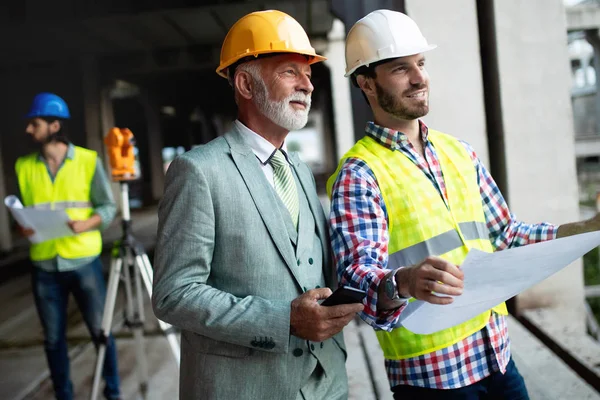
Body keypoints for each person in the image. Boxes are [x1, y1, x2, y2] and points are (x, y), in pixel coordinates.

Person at [327, 9, 600, 400]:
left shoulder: (459, 153)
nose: (420, 77)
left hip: (497, 357)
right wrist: (404, 281)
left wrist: (585, 229)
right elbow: (356, 280)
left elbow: (505, 235)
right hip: (432, 380)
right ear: (366, 83)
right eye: (401, 69)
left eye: (421, 63)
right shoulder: (360, 172)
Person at [152, 10, 363, 400]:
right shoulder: (198, 171)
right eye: (290, 72)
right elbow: (174, 293)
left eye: (309, 74)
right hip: (247, 388)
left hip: (327, 384)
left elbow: (314, 266)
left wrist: (387, 283)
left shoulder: (298, 169)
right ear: (246, 84)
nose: (307, 86)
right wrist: (285, 321)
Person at [15, 92, 121, 400]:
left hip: (83, 260)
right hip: (44, 265)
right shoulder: (23, 166)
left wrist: (86, 224)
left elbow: (106, 207)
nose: (28, 130)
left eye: (34, 124)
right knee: (52, 340)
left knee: (101, 333)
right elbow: (25, 210)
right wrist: (23, 225)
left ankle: (112, 393)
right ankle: (64, 395)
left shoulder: (88, 161)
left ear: (54, 125)